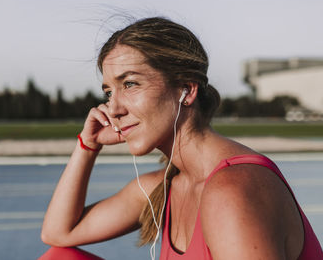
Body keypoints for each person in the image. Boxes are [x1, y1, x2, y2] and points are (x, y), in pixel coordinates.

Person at [40, 17, 323, 259]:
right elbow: (58, 233)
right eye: (108, 92)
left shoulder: (234, 188)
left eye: (130, 84)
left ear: (186, 90)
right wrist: (87, 146)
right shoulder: (163, 187)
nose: (113, 108)